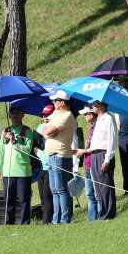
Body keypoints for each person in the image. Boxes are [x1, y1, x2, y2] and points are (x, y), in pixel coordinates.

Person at [75, 101, 117, 220]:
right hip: (94, 153)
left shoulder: (109, 119)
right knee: (98, 187)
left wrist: (107, 159)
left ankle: (109, 214)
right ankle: (102, 213)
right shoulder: (98, 120)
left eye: (93, 106)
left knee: (105, 185)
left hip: (103, 154)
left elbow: (111, 141)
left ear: (100, 107)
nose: (92, 108)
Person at [0, 105, 34, 225]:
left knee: (24, 200)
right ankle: (9, 223)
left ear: (23, 115)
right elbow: (1, 151)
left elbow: (27, 149)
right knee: (8, 201)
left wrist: (14, 141)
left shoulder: (26, 131)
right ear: (9, 116)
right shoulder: (5, 131)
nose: (15, 115)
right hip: (8, 172)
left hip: (22, 172)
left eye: (18, 113)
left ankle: (25, 223)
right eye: (12, 113)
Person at [42, 90, 76, 224]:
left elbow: (48, 130)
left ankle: (65, 218)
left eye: (55, 100)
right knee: (54, 189)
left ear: (62, 102)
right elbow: (45, 130)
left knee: (61, 189)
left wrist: (48, 132)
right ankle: (56, 219)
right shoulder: (57, 115)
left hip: (60, 156)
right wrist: (48, 132)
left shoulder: (67, 116)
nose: (54, 103)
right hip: (52, 156)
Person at [74, 106, 99, 221]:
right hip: (88, 164)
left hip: (94, 164)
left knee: (97, 193)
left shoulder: (98, 127)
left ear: (92, 114)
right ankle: (91, 219)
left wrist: (84, 150)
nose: (84, 116)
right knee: (89, 194)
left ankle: (99, 216)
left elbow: (99, 147)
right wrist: (86, 146)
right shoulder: (91, 127)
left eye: (86, 114)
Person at [35, 105, 55, 224]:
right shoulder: (40, 127)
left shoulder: (55, 127)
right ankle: (46, 217)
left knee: (48, 195)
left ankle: (48, 221)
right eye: (44, 115)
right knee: (42, 195)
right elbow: (37, 144)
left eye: (48, 115)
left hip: (51, 164)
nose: (45, 118)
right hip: (40, 165)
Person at [115, 74, 128, 194]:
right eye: (119, 82)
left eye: (123, 81)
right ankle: (127, 189)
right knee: (125, 163)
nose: (120, 84)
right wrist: (117, 120)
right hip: (122, 134)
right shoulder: (120, 97)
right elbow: (116, 110)